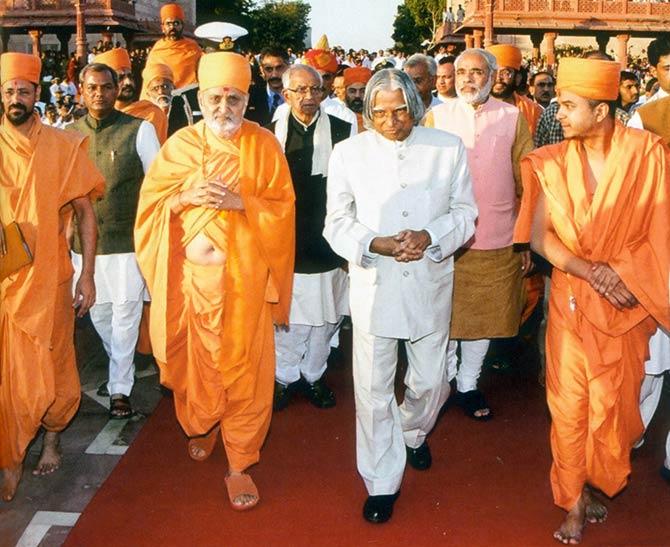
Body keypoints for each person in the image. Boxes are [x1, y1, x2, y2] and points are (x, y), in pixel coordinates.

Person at [134, 52, 295, 511]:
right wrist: (182, 197)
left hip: (245, 285)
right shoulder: (179, 146)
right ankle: (204, 423)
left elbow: (283, 209)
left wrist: (240, 201)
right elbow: (149, 211)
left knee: (245, 372)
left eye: (234, 98)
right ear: (199, 98)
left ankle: (239, 462)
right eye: (215, 97)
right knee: (196, 365)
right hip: (192, 284)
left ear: (247, 101)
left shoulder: (264, 146)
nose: (224, 106)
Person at [526, 57, 670, 544]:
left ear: (603, 110)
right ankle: (572, 501)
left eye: (568, 105)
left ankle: (592, 481)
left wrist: (622, 275)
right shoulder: (552, 161)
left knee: (615, 409)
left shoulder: (647, 154)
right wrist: (592, 271)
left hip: (628, 300)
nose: (558, 113)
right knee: (568, 407)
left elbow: (660, 230)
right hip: (572, 296)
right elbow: (540, 238)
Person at [324, 68, 477, 524]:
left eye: (400, 111)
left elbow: (467, 213)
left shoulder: (446, 148)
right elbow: (335, 222)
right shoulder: (348, 153)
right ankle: (380, 481)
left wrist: (431, 234)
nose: (392, 121)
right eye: (380, 113)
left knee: (431, 383)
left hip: (430, 279)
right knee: (371, 388)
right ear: (367, 114)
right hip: (375, 283)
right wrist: (377, 243)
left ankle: (411, 432)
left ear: (417, 105)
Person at [0, 52, 103, 501]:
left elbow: (85, 213)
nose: (16, 98)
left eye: (24, 90)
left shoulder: (63, 146)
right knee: (9, 371)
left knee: (54, 361)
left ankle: (52, 438)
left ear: (37, 95)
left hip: (51, 278)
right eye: (9, 91)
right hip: (4, 282)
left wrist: (89, 276)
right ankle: (11, 453)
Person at [424, 48, 532, 420]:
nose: (467, 79)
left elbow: (526, 180)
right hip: (445, 236)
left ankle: (468, 385)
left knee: (483, 318)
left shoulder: (513, 116)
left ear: (493, 76)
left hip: (497, 234)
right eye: (461, 72)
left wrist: (525, 236)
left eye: (476, 72)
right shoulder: (436, 116)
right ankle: (445, 381)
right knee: (445, 315)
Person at [69, 63, 160, 420]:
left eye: (106, 87)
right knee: (99, 313)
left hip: (128, 244)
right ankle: (119, 365)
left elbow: (157, 185)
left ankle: (120, 388)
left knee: (126, 313)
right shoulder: (69, 134)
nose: (99, 94)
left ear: (116, 88)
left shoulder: (140, 130)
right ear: (81, 90)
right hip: (86, 247)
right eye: (92, 88)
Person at [269, 64, 351, 411]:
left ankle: (314, 375)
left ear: (324, 92)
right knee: (290, 317)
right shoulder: (269, 133)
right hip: (285, 239)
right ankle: (284, 377)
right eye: (299, 91)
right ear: (285, 94)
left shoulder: (344, 130)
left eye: (315, 90)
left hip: (329, 238)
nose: (308, 97)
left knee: (329, 315)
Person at [96, 48, 168, 144]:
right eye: (120, 78)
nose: (128, 82)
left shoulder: (151, 114)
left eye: (130, 76)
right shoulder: (97, 118)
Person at [144, 3, 203, 91]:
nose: (172, 27)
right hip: (163, 96)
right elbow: (149, 79)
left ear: (182, 25)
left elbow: (202, 72)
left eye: (176, 23)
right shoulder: (156, 50)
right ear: (163, 27)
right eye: (168, 24)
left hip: (188, 95)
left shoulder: (193, 47)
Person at [487, 44, 543, 136]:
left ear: (518, 78)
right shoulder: (474, 108)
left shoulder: (533, 110)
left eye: (505, 73)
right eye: (493, 73)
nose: (498, 78)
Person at [245, 47, 289, 126]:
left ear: (288, 67)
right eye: (268, 69)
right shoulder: (249, 96)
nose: (274, 74)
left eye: (279, 68)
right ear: (262, 70)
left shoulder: (297, 96)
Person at [343, 66, 373, 132]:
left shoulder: (377, 118)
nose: (357, 96)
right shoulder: (338, 115)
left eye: (363, 91)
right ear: (345, 92)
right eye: (352, 91)